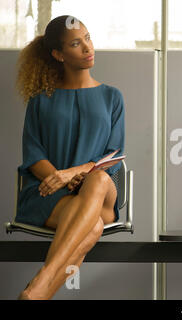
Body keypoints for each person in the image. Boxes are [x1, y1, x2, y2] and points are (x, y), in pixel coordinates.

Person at [15, 15, 125, 299]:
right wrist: (62, 181)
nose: (88, 48)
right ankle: (37, 295)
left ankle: (42, 277)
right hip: (49, 194)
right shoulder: (40, 100)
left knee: (98, 179)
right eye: (76, 43)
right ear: (58, 54)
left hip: (101, 193)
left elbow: (113, 154)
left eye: (88, 38)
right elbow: (33, 152)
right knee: (93, 226)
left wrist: (71, 174)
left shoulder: (112, 96)